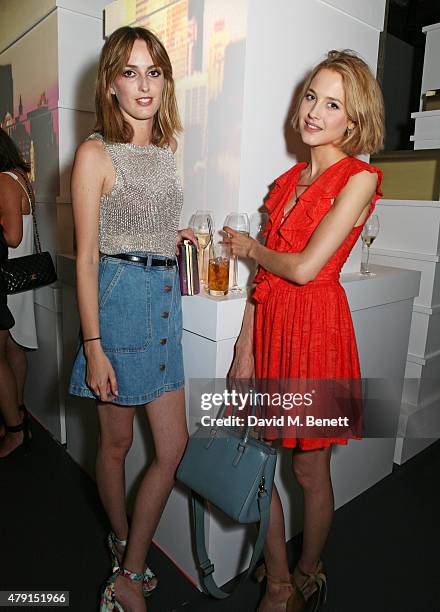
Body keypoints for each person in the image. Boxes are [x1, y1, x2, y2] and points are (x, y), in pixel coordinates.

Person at [225, 50, 384, 612]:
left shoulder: (360, 179)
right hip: (270, 329)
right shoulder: (287, 180)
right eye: (312, 95)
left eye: (333, 103)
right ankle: (278, 581)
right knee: (262, 460)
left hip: (317, 333)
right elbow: (265, 282)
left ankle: (310, 573)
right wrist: (246, 346)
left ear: (354, 119)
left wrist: (250, 248)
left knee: (309, 467)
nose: (315, 110)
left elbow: (302, 268)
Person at [68, 26, 196, 612]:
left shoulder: (168, 152)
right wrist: (93, 346)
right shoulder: (94, 153)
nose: (144, 84)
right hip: (118, 300)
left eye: (154, 71)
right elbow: (90, 257)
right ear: (111, 84)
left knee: (172, 448)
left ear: (165, 81)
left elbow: (144, 223)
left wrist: (176, 235)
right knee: (116, 442)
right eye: (130, 72)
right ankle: (121, 538)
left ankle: (129, 570)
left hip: (163, 294)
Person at [0, 129, 37, 458]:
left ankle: (14, 423)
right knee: (14, 347)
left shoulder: (4, 180)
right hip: (20, 277)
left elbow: (11, 237)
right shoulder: (20, 177)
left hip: (7, 275)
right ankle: (17, 410)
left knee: (7, 350)